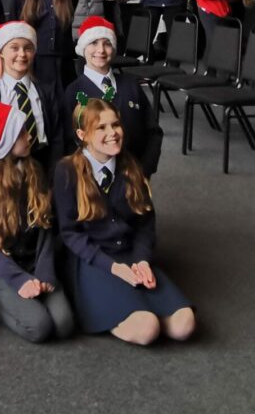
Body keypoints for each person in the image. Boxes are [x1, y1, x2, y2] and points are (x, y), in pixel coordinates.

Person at [54, 97, 195, 345]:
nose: (113, 133)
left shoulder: (131, 166)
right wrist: (114, 268)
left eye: (116, 125)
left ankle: (141, 304)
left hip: (130, 254)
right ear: (82, 134)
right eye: (101, 128)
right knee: (147, 329)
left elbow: (145, 223)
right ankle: (121, 308)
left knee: (185, 324)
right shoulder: (67, 170)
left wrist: (142, 259)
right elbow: (70, 234)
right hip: (93, 259)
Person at [0, 101, 74, 343]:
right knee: (40, 327)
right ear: (7, 141)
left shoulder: (35, 169)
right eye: (22, 132)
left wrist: (45, 271)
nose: (29, 136)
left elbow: (46, 224)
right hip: (3, 267)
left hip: (34, 261)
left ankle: (28, 290)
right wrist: (19, 280)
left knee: (64, 324)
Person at [63, 17, 162, 176]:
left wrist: (145, 169)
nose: (101, 50)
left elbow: (153, 131)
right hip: (92, 178)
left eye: (107, 43)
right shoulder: (74, 92)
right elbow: (69, 140)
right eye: (93, 43)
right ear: (83, 48)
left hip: (135, 174)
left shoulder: (131, 84)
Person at [0, 21, 65, 173]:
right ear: (1, 53)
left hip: (43, 165)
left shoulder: (45, 90)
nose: (22, 54)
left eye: (28, 48)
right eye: (14, 48)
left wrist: (55, 174)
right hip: (5, 169)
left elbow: (57, 137)